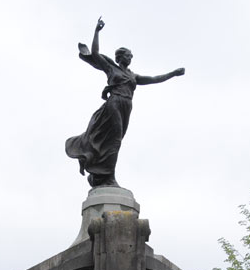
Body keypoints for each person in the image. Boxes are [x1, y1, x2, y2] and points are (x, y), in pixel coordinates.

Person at [65, 17, 185, 187]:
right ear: (121, 57)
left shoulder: (132, 75)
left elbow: (153, 79)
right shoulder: (111, 68)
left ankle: (100, 173)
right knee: (115, 140)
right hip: (115, 102)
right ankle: (109, 177)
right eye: (128, 55)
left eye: (131, 56)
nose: (131, 57)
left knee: (116, 139)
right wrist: (97, 31)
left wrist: (173, 73)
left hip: (127, 106)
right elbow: (95, 53)